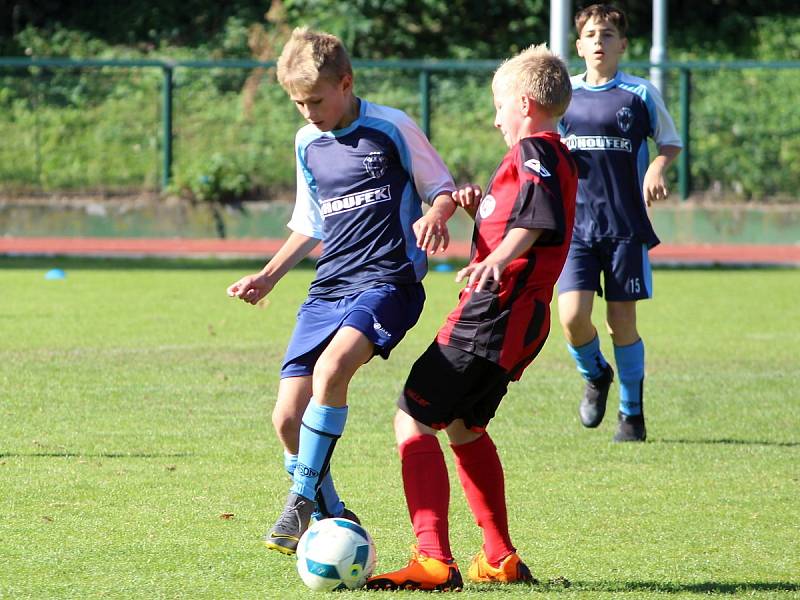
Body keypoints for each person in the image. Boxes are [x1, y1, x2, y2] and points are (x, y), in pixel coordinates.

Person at [226, 26, 458, 554]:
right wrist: (268, 276)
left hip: (388, 280)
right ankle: (331, 509)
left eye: (315, 100)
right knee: (286, 417)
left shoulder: (392, 127)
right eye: (297, 103)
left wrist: (436, 215)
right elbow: (311, 222)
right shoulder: (307, 142)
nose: (307, 112)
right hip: (329, 284)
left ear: (346, 82)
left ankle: (300, 496)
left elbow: (440, 187)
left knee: (333, 370)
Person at [366, 44, 577, 591]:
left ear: (526, 103)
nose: (495, 117)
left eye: (499, 105)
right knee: (464, 427)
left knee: (411, 417)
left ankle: (433, 558)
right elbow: (524, 211)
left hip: (493, 311)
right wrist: (479, 211)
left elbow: (537, 218)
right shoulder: (550, 154)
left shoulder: (535, 149)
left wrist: (499, 258)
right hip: (518, 319)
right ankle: (499, 557)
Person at [557, 3, 682, 442]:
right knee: (572, 317)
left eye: (607, 35)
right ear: (578, 44)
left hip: (625, 227)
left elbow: (669, 142)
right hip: (575, 229)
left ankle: (632, 415)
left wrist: (656, 169)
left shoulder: (640, 93)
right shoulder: (563, 96)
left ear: (623, 45)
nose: (598, 42)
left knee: (621, 323)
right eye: (591, 34)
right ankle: (595, 373)